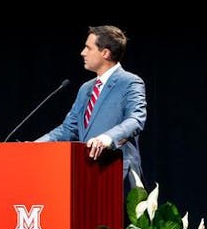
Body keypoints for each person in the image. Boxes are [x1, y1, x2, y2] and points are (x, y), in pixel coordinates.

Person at [35, 25, 146, 188]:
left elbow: (136, 119)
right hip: (87, 173)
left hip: (117, 173)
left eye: (88, 48)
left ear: (105, 53)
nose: (83, 52)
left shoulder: (130, 82)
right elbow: (69, 129)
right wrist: (36, 145)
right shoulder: (86, 88)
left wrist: (107, 138)